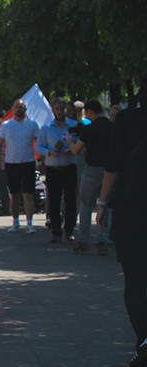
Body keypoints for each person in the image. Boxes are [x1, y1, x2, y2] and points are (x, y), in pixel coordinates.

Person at [97, 98, 147, 367]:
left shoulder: (128, 120)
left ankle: (144, 339)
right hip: (134, 207)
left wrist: (102, 203)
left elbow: (113, 164)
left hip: (134, 208)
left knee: (136, 278)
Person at [69, 100, 112, 255]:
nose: (86, 116)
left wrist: (69, 143)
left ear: (91, 112)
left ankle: (83, 240)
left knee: (86, 204)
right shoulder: (112, 127)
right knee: (105, 205)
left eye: (87, 113)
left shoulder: (89, 129)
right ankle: (103, 240)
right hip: (109, 170)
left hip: (92, 169)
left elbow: (76, 150)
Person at [0, 98, 41, 234]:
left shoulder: (32, 125)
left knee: (28, 194)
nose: (18, 109)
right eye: (16, 106)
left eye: (21, 107)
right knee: (14, 194)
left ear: (25, 109)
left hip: (28, 162)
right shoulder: (6, 125)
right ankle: (15, 222)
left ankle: (29, 223)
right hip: (11, 163)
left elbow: (38, 143)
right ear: (13, 109)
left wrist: (41, 160)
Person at [37, 98, 78, 242]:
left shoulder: (73, 126)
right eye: (58, 109)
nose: (61, 111)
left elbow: (82, 144)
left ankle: (69, 229)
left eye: (63, 109)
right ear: (53, 110)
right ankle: (56, 231)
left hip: (69, 167)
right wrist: (49, 152)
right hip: (53, 167)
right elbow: (39, 147)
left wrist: (73, 149)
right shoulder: (46, 128)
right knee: (54, 200)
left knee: (70, 199)